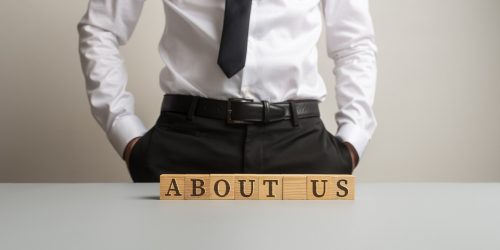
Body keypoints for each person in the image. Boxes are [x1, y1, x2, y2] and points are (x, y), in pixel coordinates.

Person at [77, 0, 378, 182]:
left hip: (299, 143)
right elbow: (100, 28)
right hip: (185, 143)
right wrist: (126, 134)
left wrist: (352, 142)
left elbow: (353, 44)